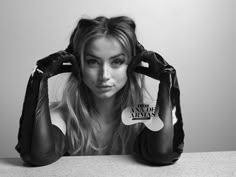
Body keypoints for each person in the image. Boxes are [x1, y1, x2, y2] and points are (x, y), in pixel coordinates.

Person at [15, 16, 184, 166]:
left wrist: (167, 79)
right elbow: (37, 155)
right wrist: (39, 77)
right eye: (92, 62)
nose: (104, 75)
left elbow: (164, 154)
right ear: (77, 65)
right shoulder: (64, 116)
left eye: (117, 62)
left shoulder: (140, 114)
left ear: (133, 65)